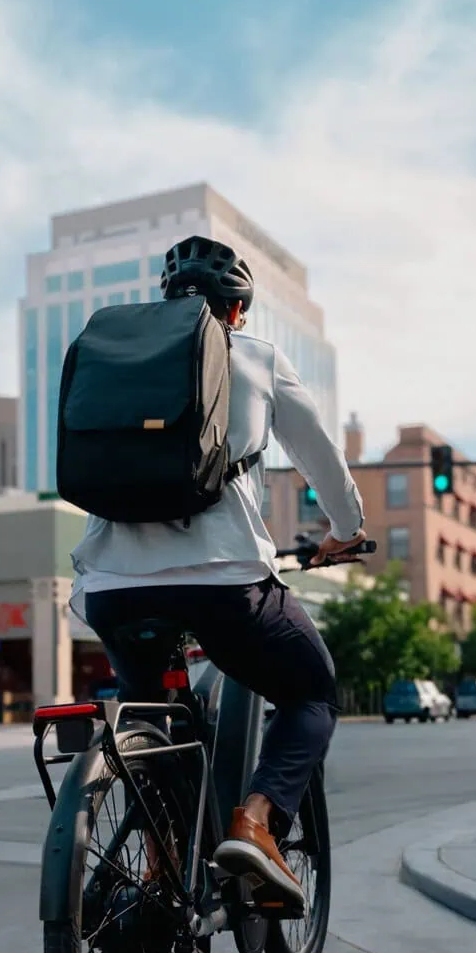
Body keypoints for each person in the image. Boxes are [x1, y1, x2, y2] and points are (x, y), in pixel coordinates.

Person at [70, 234, 366, 912]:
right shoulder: (255, 356)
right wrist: (345, 532)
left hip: (109, 586)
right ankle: (256, 826)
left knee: (152, 731)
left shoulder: (110, 356)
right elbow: (320, 455)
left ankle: (157, 875)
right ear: (236, 312)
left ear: (170, 300)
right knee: (311, 693)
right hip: (224, 580)